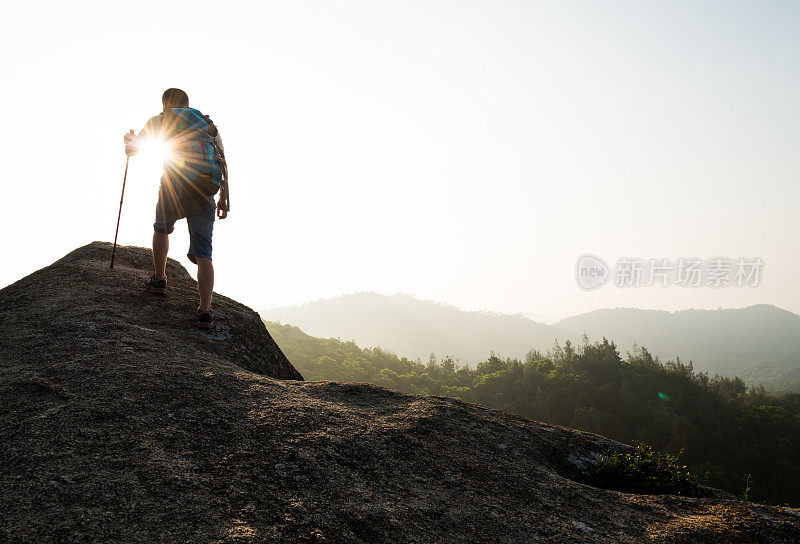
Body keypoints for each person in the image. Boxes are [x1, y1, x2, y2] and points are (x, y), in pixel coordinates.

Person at [124, 88, 229, 330]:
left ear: (165, 103)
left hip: (173, 187)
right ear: (188, 103)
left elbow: (133, 150)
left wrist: (129, 142)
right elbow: (222, 159)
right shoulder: (207, 125)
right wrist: (224, 199)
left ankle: (159, 279)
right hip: (205, 190)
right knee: (204, 254)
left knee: (162, 229)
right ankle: (205, 311)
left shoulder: (160, 120)